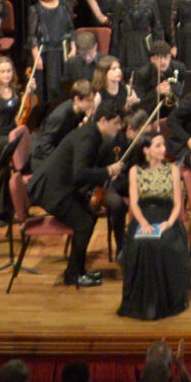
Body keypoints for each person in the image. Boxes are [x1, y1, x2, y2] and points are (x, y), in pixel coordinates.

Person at [32, 96, 126, 288]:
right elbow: (80, 173)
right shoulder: (88, 138)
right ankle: (73, 275)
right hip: (51, 190)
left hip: (61, 186)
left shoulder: (93, 134)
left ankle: (78, 271)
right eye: (116, 123)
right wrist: (108, 171)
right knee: (84, 223)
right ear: (103, 120)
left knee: (89, 216)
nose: (118, 128)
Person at [116, 127, 191, 320]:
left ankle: (164, 301)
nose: (163, 149)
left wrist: (169, 223)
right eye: (158, 145)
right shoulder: (135, 171)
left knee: (163, 243)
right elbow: (134, 203)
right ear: (146, 150)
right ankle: (144, 302)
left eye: (163, 145)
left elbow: (178, 204)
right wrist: (143, 223)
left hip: (167, 216)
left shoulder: (172, 169)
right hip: (144, 216)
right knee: (142, 244)